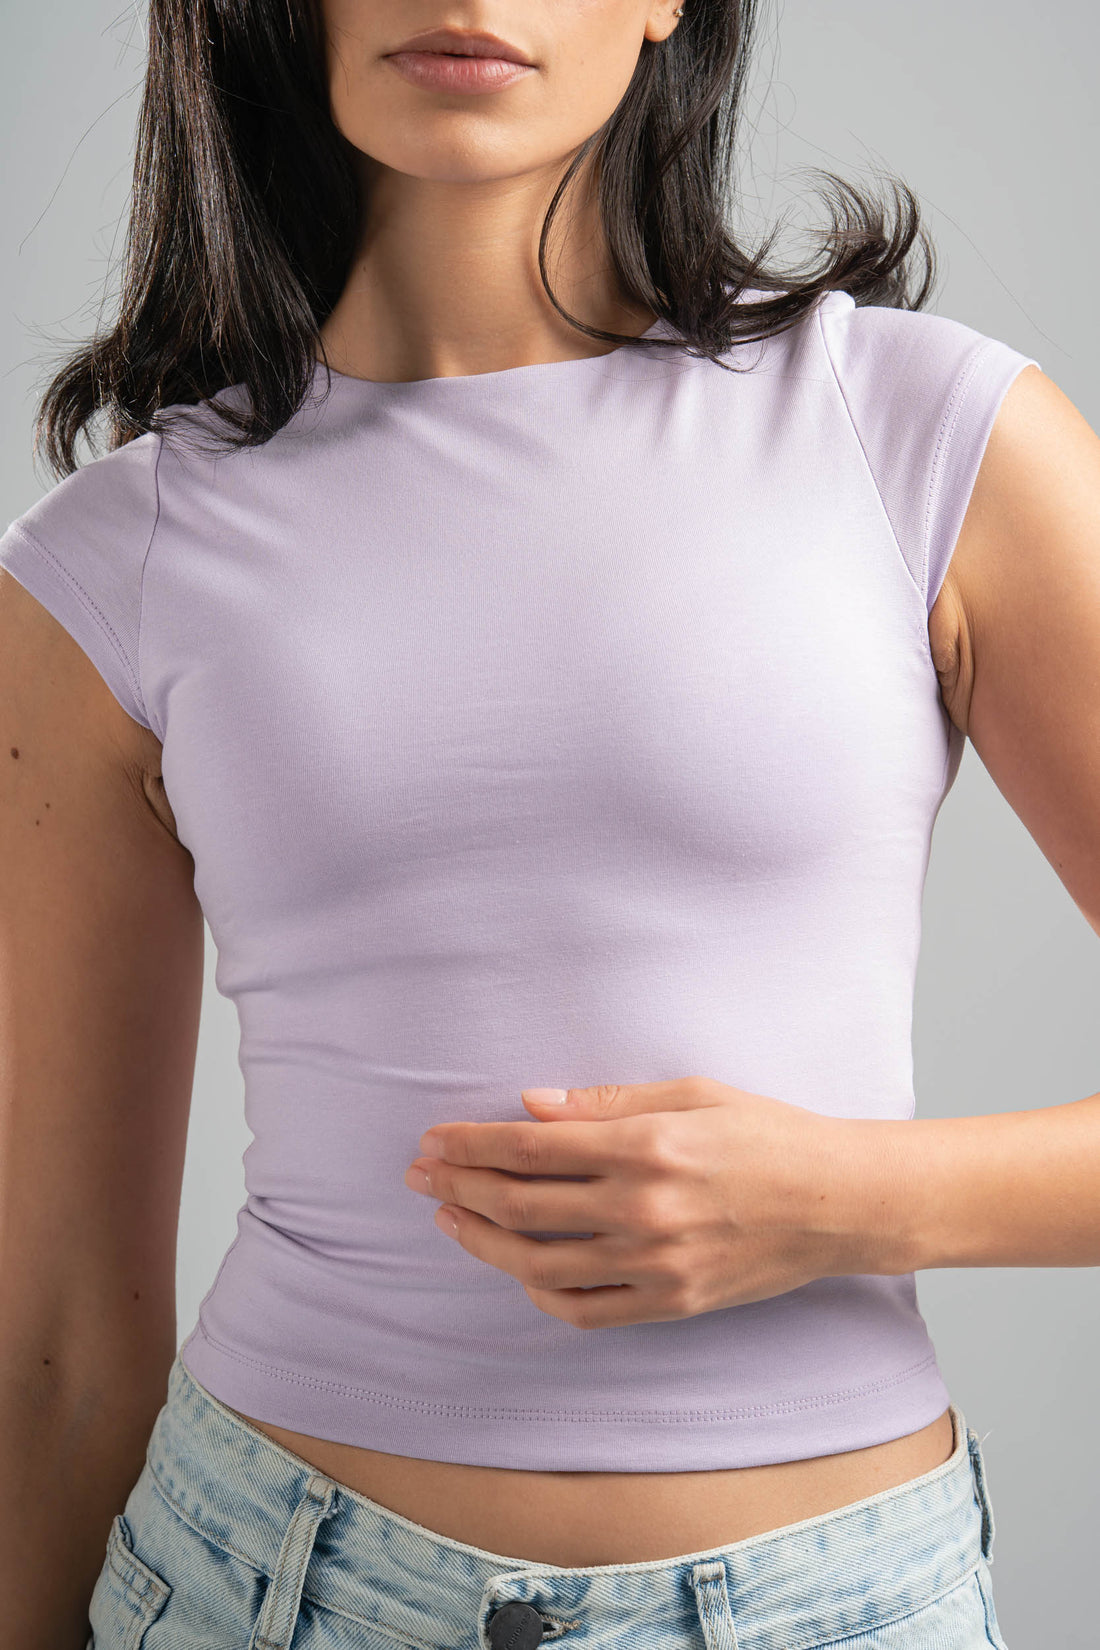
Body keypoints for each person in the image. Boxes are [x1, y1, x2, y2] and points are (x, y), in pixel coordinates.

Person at [1, 0, 1097, 1646]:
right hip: (262, 1585)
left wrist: (843, 1199)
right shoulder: (107, 564)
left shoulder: (920, 436)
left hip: (843, 1601)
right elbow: (63, 1336)